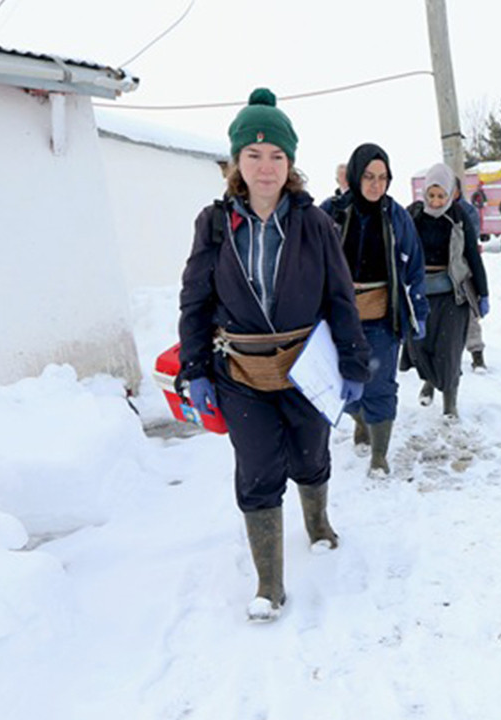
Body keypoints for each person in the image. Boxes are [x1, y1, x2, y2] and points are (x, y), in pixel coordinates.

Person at [178, 89, 371, 622]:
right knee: (257, 470)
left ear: (291, 164)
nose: (266, 167)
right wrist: (194, 368)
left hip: (305, 372)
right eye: (254, 155)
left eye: (277, 156)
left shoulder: (314, 224)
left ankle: (318, 523)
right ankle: (269, 583)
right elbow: (195, 298)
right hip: (241, 372)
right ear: (237, 162)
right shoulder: (214, 224)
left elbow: (339, 296)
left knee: (310, 458)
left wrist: (354, 364)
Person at [325, 143, 429, 478]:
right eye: (369, 176)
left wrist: (420, 310)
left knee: (380, 385)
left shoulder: (396, 216)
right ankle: (360, 421)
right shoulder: (332, 212)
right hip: (339, 319)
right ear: (356, 176)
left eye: (383, 178)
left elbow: (415, 265)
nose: (375, 185)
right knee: (344, 385)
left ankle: (379, 455)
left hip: (383, 318)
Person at [404, 163, 490, 418]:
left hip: (454, 295)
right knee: (420, 347)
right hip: (421, 294)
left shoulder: (459, 217)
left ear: (451, 193)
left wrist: (483, 293)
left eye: (441, 195)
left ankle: (449, 404)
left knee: (449, 351)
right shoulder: (414, 216)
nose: (436, 200)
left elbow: (473, 257)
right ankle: (430, 382)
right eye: (431, 195)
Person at [454, 177, 489, 372]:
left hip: (464, 272)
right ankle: (451, 361)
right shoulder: (433, 212)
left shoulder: (467, 211)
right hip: (443, 276)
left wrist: (483, 291)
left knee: (470, 316)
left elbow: (470, 241)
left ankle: (477, 356)